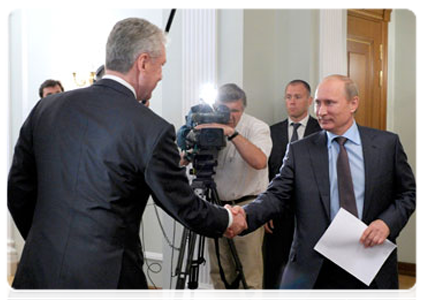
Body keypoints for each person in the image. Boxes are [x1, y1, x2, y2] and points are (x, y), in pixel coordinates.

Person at [7, 18, 246, 300]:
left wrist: (45, 241)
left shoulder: (45, 109)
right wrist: (227, 217)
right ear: (143, 62)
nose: (161, 76)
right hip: (107, 282)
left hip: (38, 274)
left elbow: (18, 192)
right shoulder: (151, 129)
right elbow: (183, 206)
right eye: (161, 66)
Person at [229, 74, 419, 300]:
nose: (321, 111)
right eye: (318, 103)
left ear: (353, 104)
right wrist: (244, 215)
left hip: (370, 268)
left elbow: (408, 193)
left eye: (330, 103)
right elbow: (275, 195)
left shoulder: (387, 145)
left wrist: (387, 223)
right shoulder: (300, 151)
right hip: (316, 273)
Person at [193, 83, 272, 300]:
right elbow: (188, 161)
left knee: (249, 275)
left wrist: (232, 134)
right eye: (223, 109)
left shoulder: (258, 127)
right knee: (220, 272)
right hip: (215, 206)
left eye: (234, 110)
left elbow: (259, 161)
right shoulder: (208, 126)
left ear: (243, 109)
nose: (228, 115)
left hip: (246, 207)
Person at [263, 79, 321, 300]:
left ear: (309, 100)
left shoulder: (321, 130)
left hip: (311, 213)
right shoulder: (272, 132)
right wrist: (266, 209)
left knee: (307, 269)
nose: (292, 102)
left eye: (297, 97)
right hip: (278, 212)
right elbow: (266, 174)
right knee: (275, 266)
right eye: (288, 97)